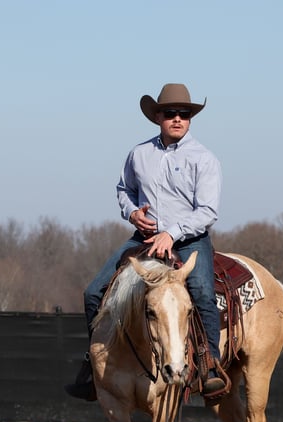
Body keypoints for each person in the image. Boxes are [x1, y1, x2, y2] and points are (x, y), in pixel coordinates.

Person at [65, 83, 226, 402]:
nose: (177, 119)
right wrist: (133, 213)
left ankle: (209, 366)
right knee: (94, 292)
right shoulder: (139, 154)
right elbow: (123, 189)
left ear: (191, 119)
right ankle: (93, 362)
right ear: (157, 117)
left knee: (203, 293)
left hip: (189, 240)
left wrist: (172, 232)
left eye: (184, 114)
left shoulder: (204, 159)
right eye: (170, 113)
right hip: (145, 238)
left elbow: (208, 210)